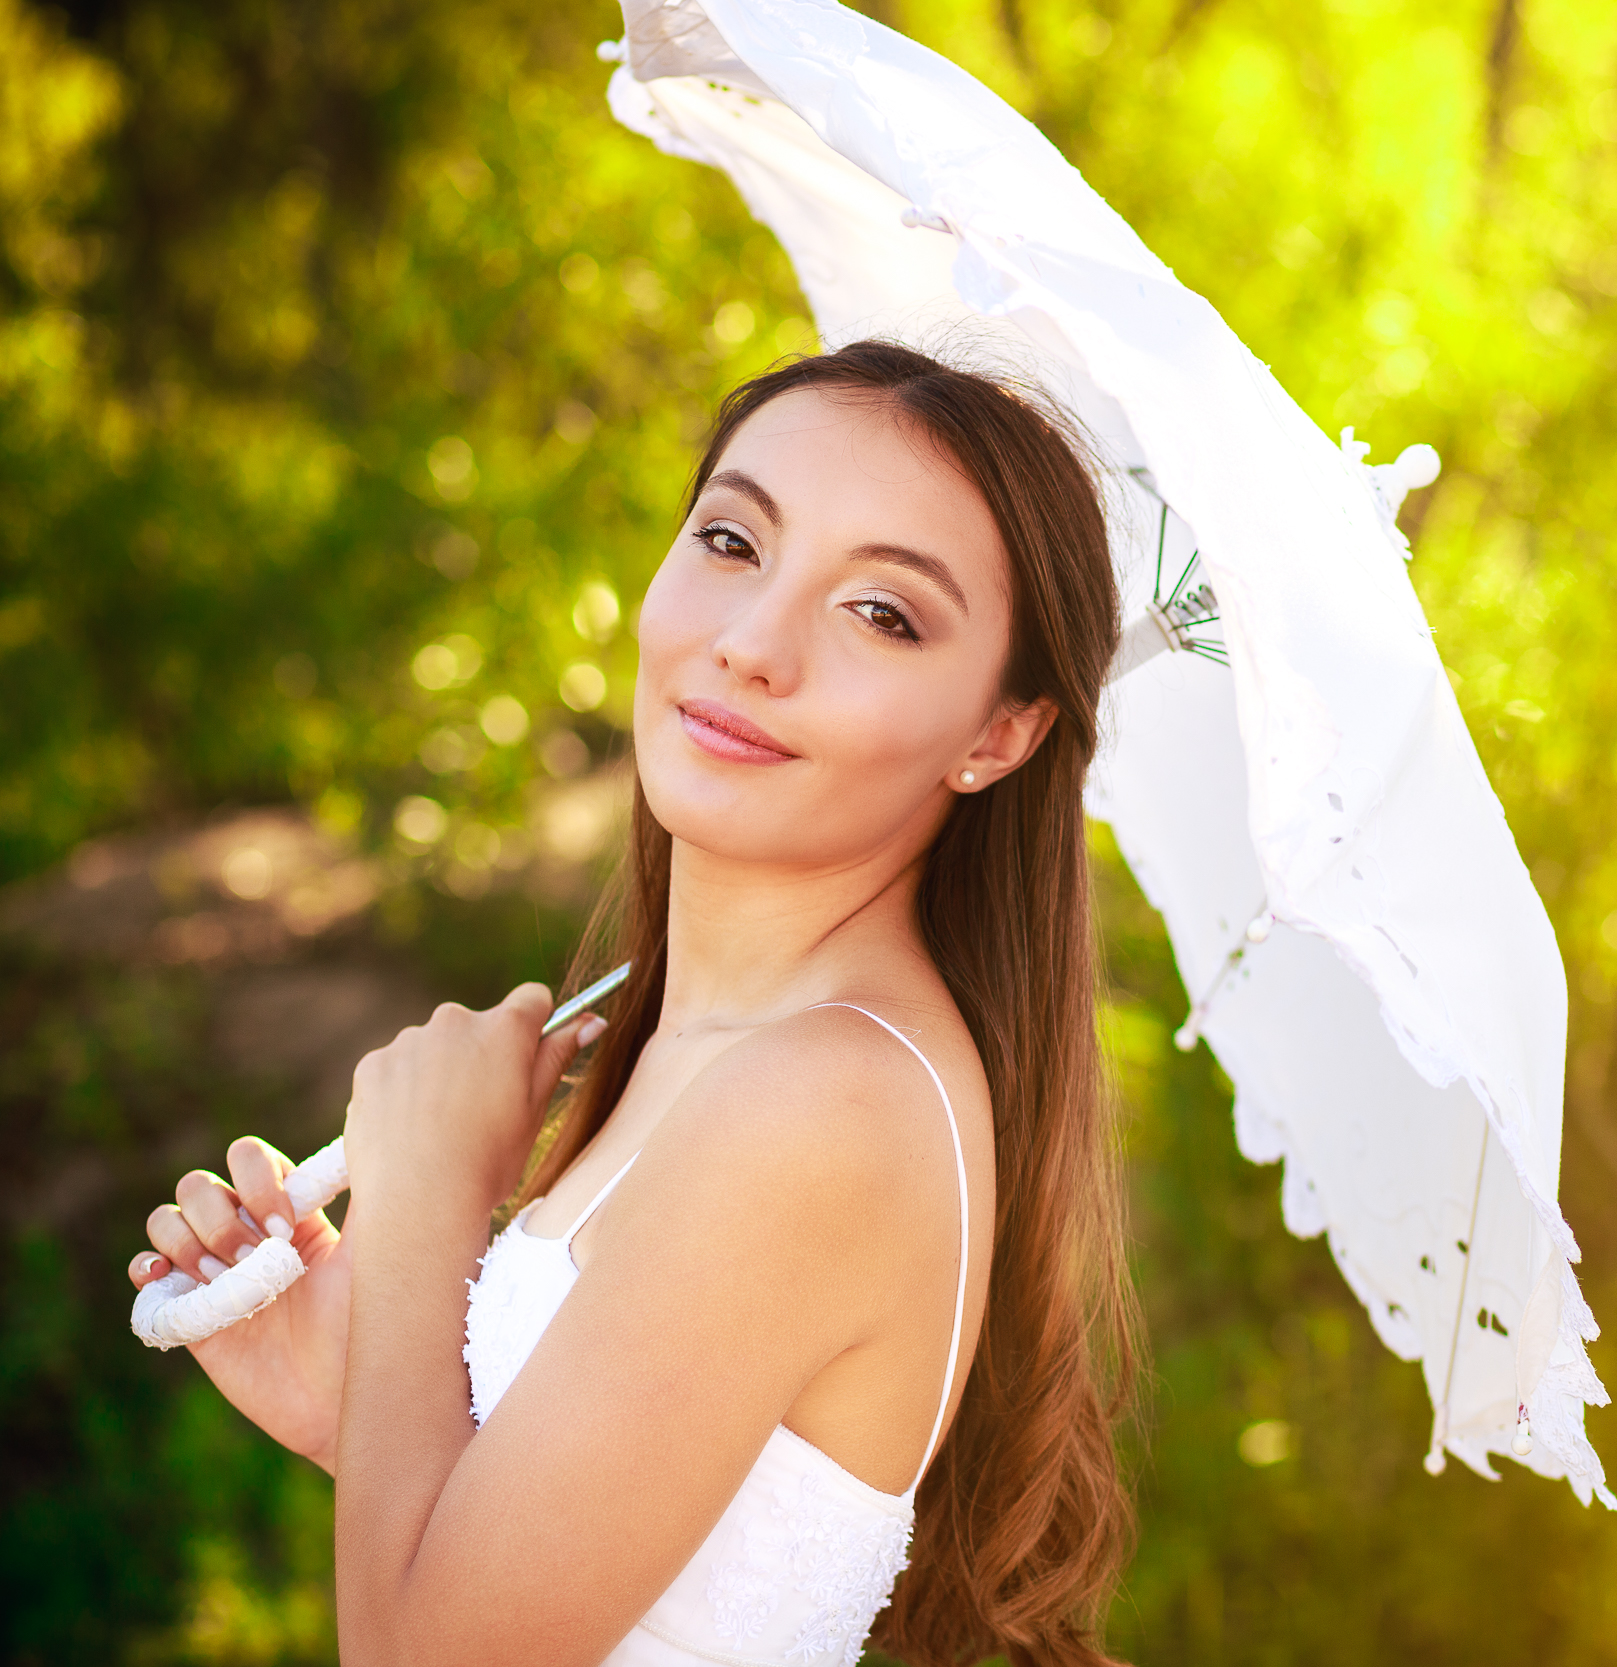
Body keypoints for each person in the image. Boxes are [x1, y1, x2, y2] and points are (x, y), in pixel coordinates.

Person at [124, 341, 1137, 1667]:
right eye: (732, 541)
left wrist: (429, 1197)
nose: (752, 644)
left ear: (999, 735)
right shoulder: (712, 1052)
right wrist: (351, 1399)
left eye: (881, 613)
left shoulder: (827, 1103)